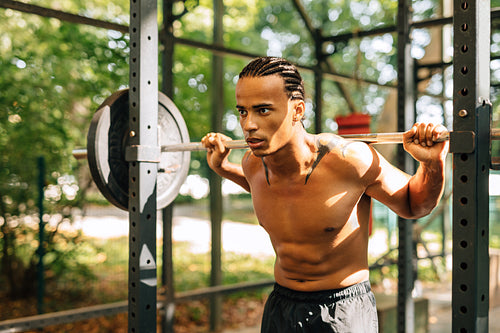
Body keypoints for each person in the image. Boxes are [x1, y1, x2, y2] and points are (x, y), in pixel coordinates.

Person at [201, 57, 448, 332]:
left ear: (297, 110)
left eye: (262, 110)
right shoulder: (253, 163)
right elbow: (273, 193)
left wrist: (431, 163)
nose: (248, 124)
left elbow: (415, 204)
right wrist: (222, 167)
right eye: (243, 112)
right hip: (281, 305)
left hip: (341, 310)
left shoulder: (349, 159)